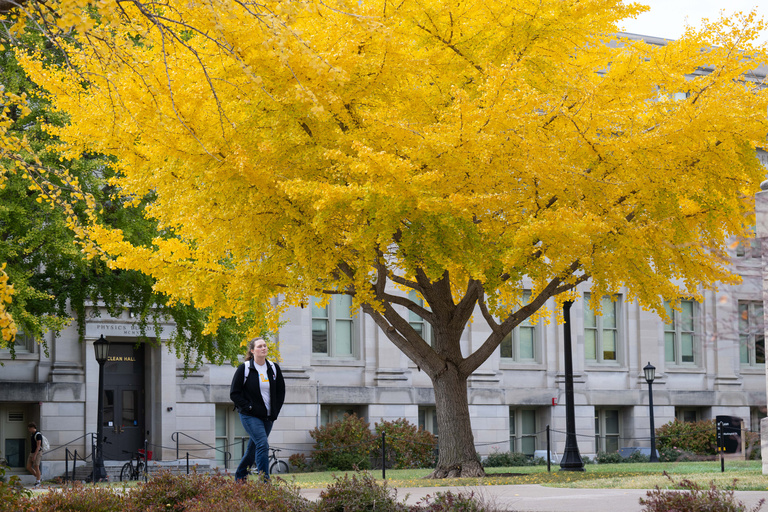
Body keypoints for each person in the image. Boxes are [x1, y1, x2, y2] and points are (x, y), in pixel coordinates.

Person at [230, 337, 285, 482]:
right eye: (260, 346)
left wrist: (275, 411)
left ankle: (240, 477)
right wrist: (248, 406)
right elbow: (234, 393)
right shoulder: (245, 368)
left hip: (268, 417)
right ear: (252, 350)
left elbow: (281, 392)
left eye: (265, 346)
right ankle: (264, 481)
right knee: (262, 444)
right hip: (249, 415)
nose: (264, 348)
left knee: (253, 448)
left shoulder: (273, 368)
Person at [26, 422, 42, 486]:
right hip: (32, 452)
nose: (29, 430)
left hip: (37, 453)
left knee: (36, 467)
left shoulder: (38, 435)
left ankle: (38, 481)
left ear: (33, 428)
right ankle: (39, 477)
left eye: (29, 428)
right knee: (28, 467)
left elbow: (38, 446)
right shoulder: (32, 434)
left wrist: (35, 455)